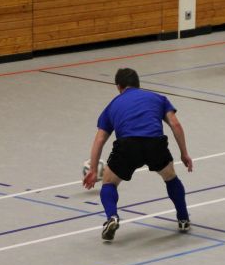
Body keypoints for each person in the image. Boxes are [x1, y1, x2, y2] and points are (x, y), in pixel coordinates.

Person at [83, 68, 194, 241]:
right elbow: (175, 125)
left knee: (109, 182)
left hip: (127, 146)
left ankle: (112, 217)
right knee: (170, 177)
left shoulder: (112, 106)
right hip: (155, 144)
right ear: (138, 84)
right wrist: (184, 153)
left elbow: (100, 139)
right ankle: (183, 218)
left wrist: (92, 169)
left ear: (119, 87)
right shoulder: (159, 98)